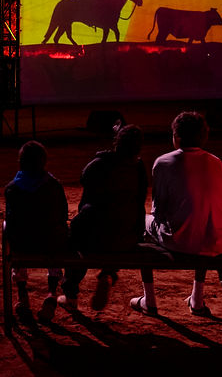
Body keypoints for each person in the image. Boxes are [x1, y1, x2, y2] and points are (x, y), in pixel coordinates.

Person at [132, 111, 222, 323]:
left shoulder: (163, 162)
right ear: (203, 136)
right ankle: (197, 299)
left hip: (180, 241)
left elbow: (158, 209)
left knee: (142, 222)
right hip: (215, 239)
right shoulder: (216, 162)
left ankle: (149, 299)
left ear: (176, 137)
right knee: (200, 221)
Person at [61, 123, 147, 311]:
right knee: (118, 217)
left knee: (78, 233)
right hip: (125, 239)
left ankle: (70, 293)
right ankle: (108, 272)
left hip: (94, 237)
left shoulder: (101, 163)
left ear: (117, 143)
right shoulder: (138, 167)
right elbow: (140, 199)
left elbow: (84, 178)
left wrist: (105, 156)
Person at [3, 140, 70, 322]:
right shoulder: (54, 186)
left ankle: (22, 294)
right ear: (43, 162)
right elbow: (63, 215)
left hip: (22, 245)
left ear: (21, 162)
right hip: (49, 244)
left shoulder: (12, 189)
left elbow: (11, 220)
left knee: (15, 234)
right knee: (57, 234)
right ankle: (51, 293)